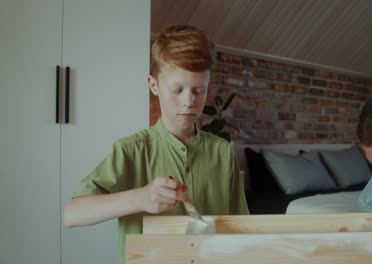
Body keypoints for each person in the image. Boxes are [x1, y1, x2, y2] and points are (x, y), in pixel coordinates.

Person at [63, 25, 249, 264]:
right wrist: (140, 199)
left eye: (198, 91)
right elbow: (71, 215)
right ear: (154, 86)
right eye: (177, 90)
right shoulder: (130, 151)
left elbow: (240, 226)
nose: (188, 102)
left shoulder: (222, 151)